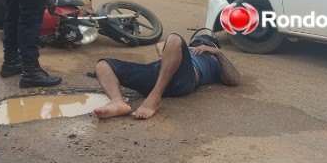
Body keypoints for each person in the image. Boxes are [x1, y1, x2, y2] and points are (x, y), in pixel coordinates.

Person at [91, 33, 241, 119]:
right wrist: (176, 52)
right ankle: (118, 102)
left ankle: (154, 98)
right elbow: (161, 45)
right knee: (103, 65)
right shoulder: (184, 50)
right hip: (158, 72)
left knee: (175, 38)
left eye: (204, 42)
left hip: (184, 79)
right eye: (197, 42)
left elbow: (234, 79)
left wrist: (216, 52)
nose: (199, 45)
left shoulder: (214, 60)